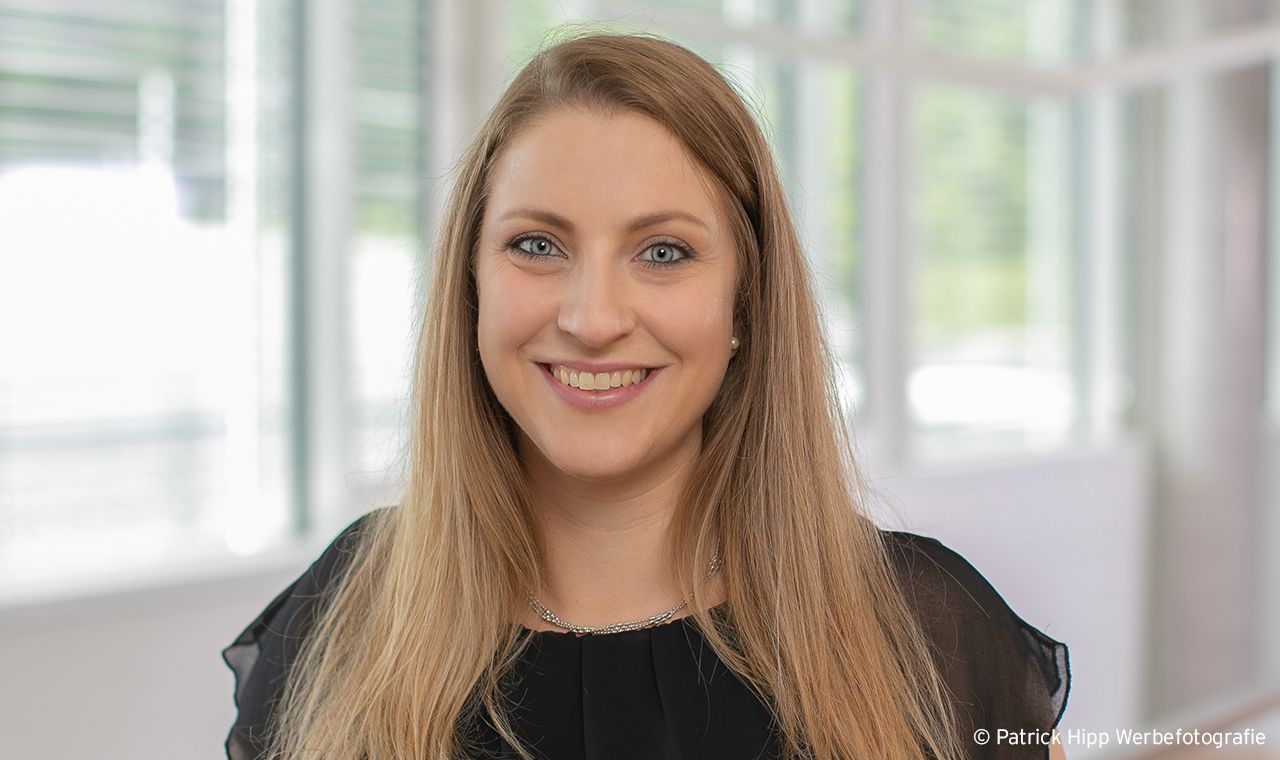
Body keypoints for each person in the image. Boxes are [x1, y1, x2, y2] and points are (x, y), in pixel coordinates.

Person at [222, 32, 1070, 760]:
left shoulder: (930, 633)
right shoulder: (347, 617)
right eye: (537, 244)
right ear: (471, 288)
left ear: (746, 303)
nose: (593, 320)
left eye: (662, 252)